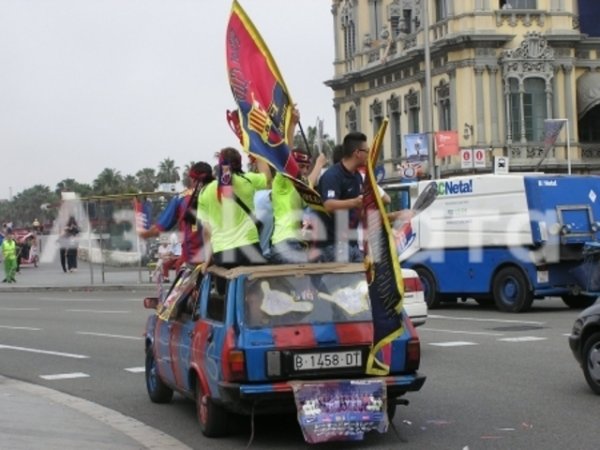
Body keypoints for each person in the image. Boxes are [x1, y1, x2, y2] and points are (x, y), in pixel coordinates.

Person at [197, 147, 272, 269]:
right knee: (253, 287)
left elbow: (206, 231)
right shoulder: (248, 180)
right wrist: (257, 151)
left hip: (222, 252)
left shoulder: (205, 192)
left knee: (225, 287)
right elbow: (267, 177)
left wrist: (207, 259)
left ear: (219, 164)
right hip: (249, 248)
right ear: (240, 163)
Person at [139, 162, 214, 269]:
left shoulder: (181, 199)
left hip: (194, 262)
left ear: (192, 179)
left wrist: (144, 234)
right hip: (221, 258)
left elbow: (159, 228)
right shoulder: (223, 195)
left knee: (183, 277)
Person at [314, 131, 368, 263]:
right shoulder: (332, 176)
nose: (369, 155)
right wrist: (355, 202)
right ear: (357, 153)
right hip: (332, 244)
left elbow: (359, 212)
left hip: (352, 243)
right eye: (367, 151)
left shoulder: (357, 177)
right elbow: (328, 205)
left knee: (364, 280)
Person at [270, 148, 325, 264]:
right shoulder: (282, 182)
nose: (305, 171)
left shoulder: (299, 191)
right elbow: (284, 155)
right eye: (300, 166)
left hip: (293, 244)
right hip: (286, 243)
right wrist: (319, 164)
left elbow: (308, 186)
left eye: (307, 167)